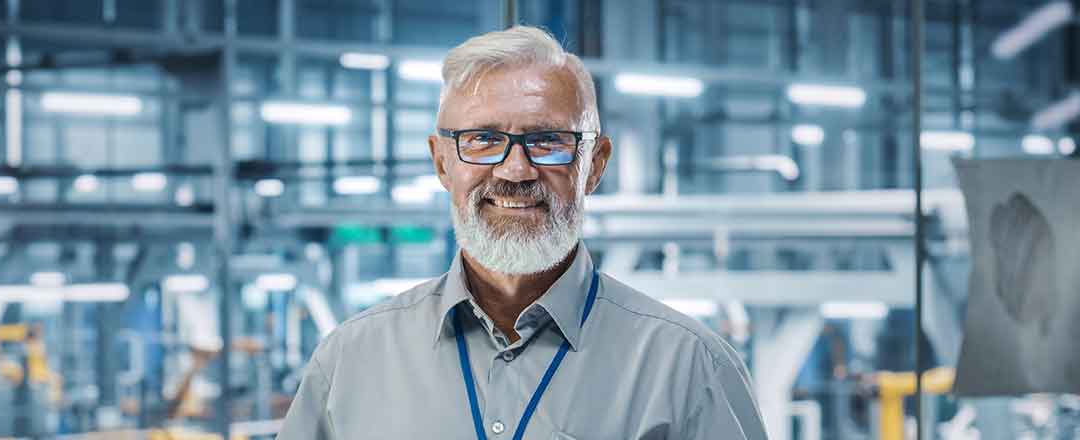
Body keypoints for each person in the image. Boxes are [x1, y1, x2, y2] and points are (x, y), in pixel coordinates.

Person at [277, 26, 767, 439]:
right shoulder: (349, 362)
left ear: (594, 165)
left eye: (548, 140)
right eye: (483, 140)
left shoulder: (687, 367)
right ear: (441, 162)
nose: (515, 170)